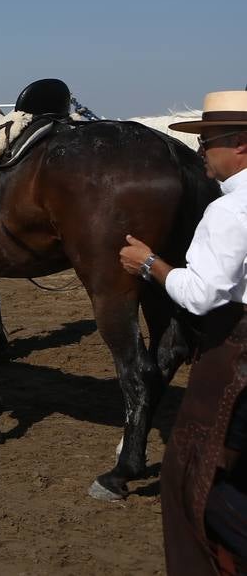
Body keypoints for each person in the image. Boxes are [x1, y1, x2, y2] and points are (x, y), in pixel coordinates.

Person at [119, 91, 247, 573]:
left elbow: (201, 295)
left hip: (234, 351)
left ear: (240, 144)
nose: (200, 152)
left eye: (207, 141)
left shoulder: (230, 211)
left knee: (193, 479)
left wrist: (149, 263)